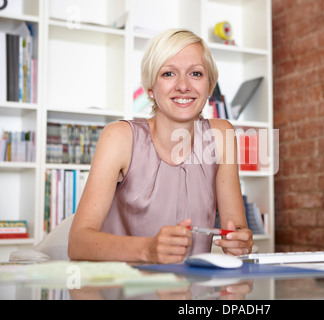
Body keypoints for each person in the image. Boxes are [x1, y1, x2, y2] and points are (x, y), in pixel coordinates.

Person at [68, 29, 253, 264]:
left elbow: (236, 229)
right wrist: (148, 249)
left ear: (210, 86)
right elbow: (77, 243)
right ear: (150, 89)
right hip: (122, 289)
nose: (183, 86)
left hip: (194, 294)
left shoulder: (221, 134)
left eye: (195, 73)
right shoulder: (119, 137)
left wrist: (239, 241)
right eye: (168, 74)